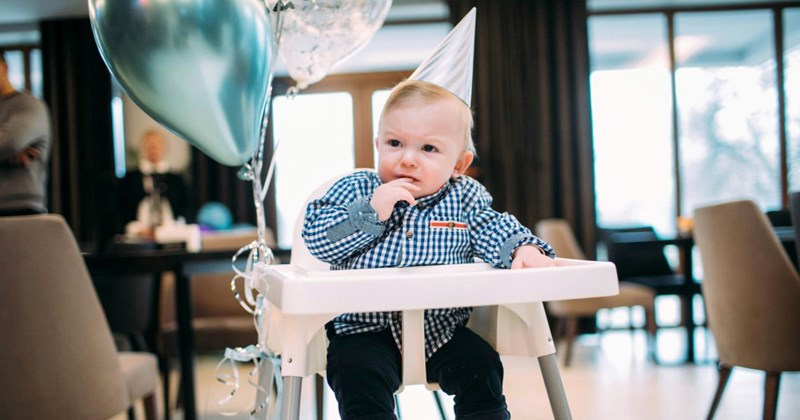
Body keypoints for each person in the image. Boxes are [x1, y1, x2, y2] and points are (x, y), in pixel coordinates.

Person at [302, 79, 557, 420]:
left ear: (458, 165)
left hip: (441, 330)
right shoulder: (355, 189)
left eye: (428, 149)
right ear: (378, 145)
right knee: (356, 377)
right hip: (363, 330)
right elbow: (318, 239)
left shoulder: (464, 198)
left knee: (482, 367)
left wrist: (522, 249)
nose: (407, 159)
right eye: (395, 143)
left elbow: (495, 227)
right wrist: (371, 211)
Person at [0, 47, 52, 216]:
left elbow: (9, 143)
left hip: (21, 208)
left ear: (4, 67)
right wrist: (8, 157)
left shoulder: (29, 106)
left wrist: (7, 149)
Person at [118, 129, 187, 237]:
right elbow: (121, 207)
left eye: (157, 146)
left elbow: (185, 207)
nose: (153, 150)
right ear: (142, 149)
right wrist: (134, 227)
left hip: (170, 231)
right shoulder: (130, 179)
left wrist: (174, 224)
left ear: (164, 149)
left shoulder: (176, 179)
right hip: (138, 233)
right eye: (149, 146)